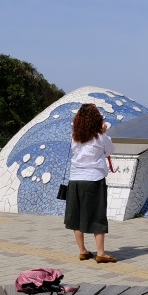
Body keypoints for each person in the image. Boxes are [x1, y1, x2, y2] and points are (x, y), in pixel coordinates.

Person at [66, 103, 117, 263]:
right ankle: (100, 253)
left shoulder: (75, 136)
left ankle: (82, 250)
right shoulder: (100, 137)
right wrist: (103, 132)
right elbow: (110, 150)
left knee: (76, 215)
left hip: (75, 179)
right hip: (94, 178)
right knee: (97, 215)